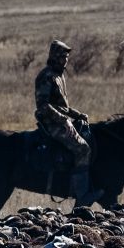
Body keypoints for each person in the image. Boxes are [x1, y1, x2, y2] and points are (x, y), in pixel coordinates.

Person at [34, 39, 92, 205]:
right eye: (62, 57)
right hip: (51, 124)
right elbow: (43, 106)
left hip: (60, 121)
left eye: (66, 57)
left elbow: (61, 107)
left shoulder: (59, 76)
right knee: (83, 149)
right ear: (55, 57)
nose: (65, 60)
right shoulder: (46, 76)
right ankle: (82, 195)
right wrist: (64, 120)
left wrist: (78, 115)